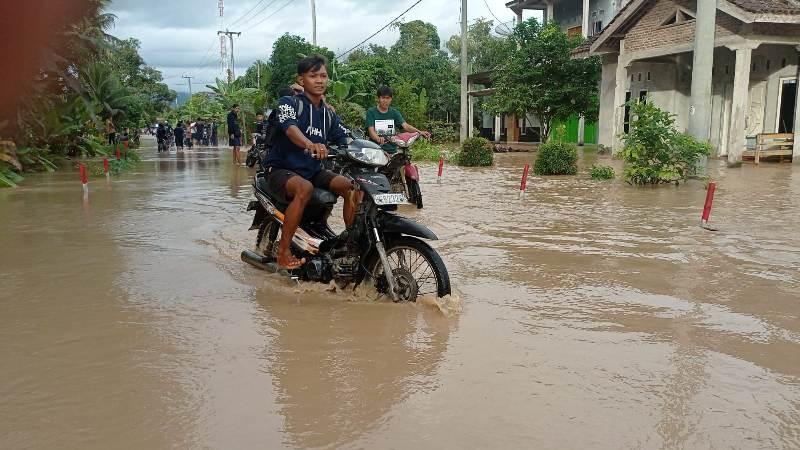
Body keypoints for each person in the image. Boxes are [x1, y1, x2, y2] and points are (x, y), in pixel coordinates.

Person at [264, 54, 355, 269]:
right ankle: (283, 252)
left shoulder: (328, 115)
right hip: (281, 168)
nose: (320, 80)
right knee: (304, 188)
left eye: (323, 76)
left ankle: (351, 246)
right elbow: (290, 128)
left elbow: (347, 138)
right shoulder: (289, 103)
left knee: (351, 187)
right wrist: (309, 144)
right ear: (301, 79)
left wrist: (372, 150)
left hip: (312, 170)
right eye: (313, 76)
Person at [366, 85, 430, 151]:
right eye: (383, 98)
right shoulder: (371, 112)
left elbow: (405, 126)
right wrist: (378, 138)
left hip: (392, 150)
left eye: (387, 98)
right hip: (375, 150)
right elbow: (371, 132)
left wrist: (420, 132)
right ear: (378, 98)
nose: (385, 100)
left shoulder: (394, 112)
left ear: (391, 99)